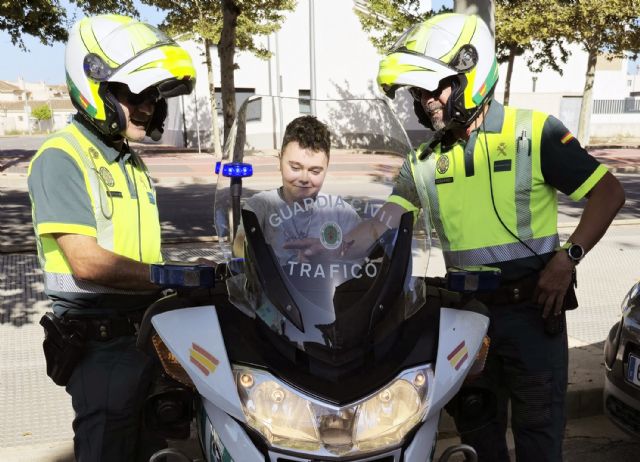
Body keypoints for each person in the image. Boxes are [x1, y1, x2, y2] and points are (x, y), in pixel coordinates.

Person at [369, 12, 624, 462]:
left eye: (436, 87)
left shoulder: (533, 131)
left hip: (533, 317)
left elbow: (608, 192)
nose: (426, 100)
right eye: (418, 91)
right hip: (467, 321)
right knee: (478, 443)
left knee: (539, 443)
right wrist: (324, 240)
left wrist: (568, 258)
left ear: (472, 74)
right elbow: (382, 223)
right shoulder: (423, 159)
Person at [27, 14, 196, 462]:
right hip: (100, 345)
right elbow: (87, 262)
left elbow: (139, 252)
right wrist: (179, 276)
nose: (146, 107)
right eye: (134, 93)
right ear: (95, 86)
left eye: (152, 96)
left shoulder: (128, 161)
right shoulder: (62, 157)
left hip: (145, 333)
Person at [233, 115, 360, 264]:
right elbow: (239, 247)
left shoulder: (342, 214)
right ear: (279, 161)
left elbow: (365, 251)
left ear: (327, 167)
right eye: (295, 167)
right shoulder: (261, 207)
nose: (304, 178)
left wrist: (338, 251)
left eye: (315, 171)